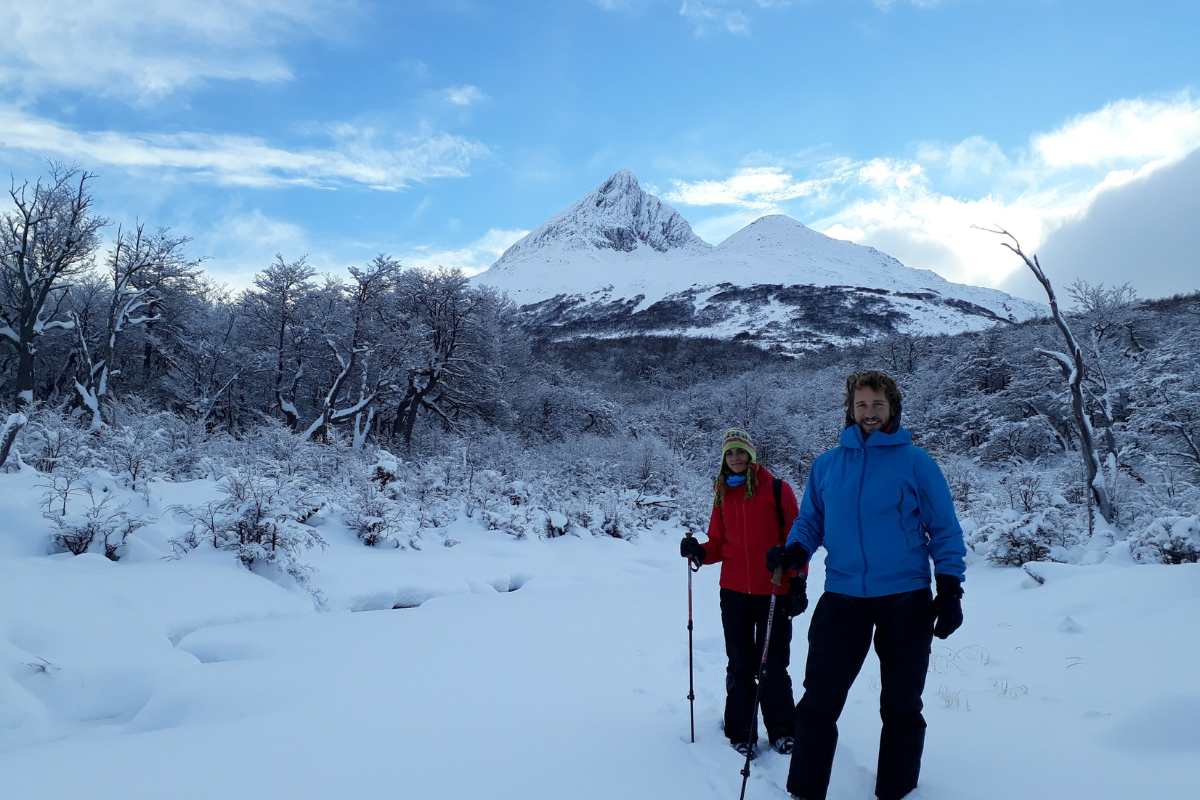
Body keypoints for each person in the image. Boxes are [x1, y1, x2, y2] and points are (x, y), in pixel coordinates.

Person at [766, 371, 966, 800]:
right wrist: (795, 552)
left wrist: (949, 588)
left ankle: (897, 789)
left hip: (906, 599)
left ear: (892, 407)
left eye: (877, 405)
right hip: (842, 597)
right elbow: (811, 521)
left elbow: (944, 529)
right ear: (850, 409)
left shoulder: (917, 463)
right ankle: (804, 790)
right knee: (819, 701)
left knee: (901, 703)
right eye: (861, 405)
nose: (869, 413)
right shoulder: (828, 465)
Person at [679, 427, 807, 760]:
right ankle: (741, 732)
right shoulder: (722, 493)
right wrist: (698, 552)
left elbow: (798, 542)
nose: (735, 458)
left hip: (773, 589)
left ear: (751, 454)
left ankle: (782, 730)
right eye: (729, 453)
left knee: (773, 664)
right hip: (733, 591)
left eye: (740, 451)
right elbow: (721, 544)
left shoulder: (777, 490)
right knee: (739, 663)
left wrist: (798, 581)